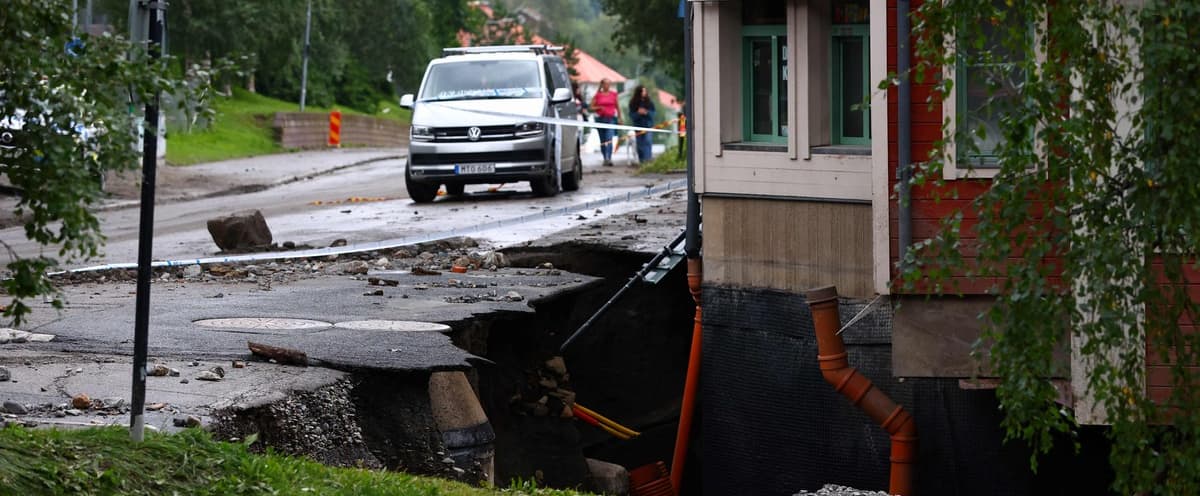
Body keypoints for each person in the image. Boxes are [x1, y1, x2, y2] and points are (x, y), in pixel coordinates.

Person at [590, 78, 621, 166]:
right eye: (606, 84)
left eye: (609, 84)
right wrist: (599, 108)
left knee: (609, 138)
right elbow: (591, 107)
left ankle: (609, 158)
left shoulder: (614, 94)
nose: (607, 86)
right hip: (600, 119)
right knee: (603, 140)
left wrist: (619, 118)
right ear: (602, 85)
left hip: (610, 119)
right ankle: (605, 157)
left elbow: (617, 107)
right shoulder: (598, 95)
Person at [629, 85, 656, 164]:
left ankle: (648, 160)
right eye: (642, 91)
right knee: (640, 145)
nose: (644, 92)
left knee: (648, 142)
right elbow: (632, 116)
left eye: (645, 91)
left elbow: (653, 114)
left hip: (648, 126)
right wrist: (638, 113)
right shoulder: (633, 103)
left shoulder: (650, 102)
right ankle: (642, 161)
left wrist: (646, 112)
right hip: (638, 126)